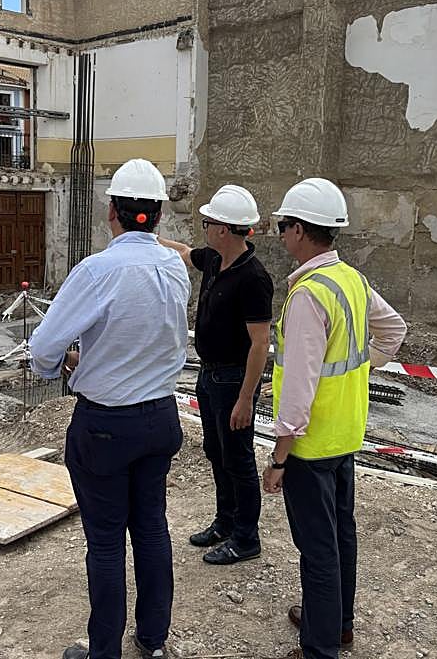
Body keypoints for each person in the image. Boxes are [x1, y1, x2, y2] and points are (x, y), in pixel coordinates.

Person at [29, 158, 191, 659]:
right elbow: (149, 336)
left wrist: (62, 365)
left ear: (111, 212)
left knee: (104, 544)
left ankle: (104, 653)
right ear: (159, 214)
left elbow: (43, 348)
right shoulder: (172, 266)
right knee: (151, 528)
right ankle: (153, 640)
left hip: (106, 426)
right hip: (161, 417)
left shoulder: (98, 269)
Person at [261, 177, 407, 659]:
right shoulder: (350, 279)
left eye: (284, 226)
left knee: (317, 549)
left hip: (310, 446)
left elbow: (299, 389)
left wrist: (279, 457)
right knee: (341, 535)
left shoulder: (308, 295)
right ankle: (337, 623)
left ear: (301, 230)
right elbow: (393, 329)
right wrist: (364, 365)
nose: (281, 235)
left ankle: (321, 645)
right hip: (345, 436)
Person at [160, 185, 273, 565]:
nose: (204, 228)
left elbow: (260, 344)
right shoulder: (213, 259)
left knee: (238, 457)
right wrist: (149, 237)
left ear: (223, 229)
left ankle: (246, 537)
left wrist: (245, 398)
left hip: (233, 379)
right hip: (209, 376)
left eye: (208, 223)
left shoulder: (253, 278)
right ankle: (225, 522)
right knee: (216, 452)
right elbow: (183, 252)